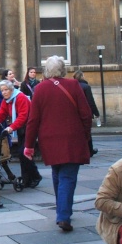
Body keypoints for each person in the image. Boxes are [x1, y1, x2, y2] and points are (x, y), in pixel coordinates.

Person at [24, 55, 92, 232]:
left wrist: (29, 145)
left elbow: (33, 120)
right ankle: (63, 215)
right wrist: (85, 135)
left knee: (57, 173)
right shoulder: (73, 85)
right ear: (63, 70)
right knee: (68, 177)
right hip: (72, 137)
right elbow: (86, 114)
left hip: (49, 139)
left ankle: (62, 209)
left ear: (47, 71)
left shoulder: (39, 89)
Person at [0, 79, 41, 187]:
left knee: (24, 153)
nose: (4, 92)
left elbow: (23, 116)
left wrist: (11, 127)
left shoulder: (20, 98)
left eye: (6, 90)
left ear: (11, 89)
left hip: (29, 127)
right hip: (22, 129)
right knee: (22, 153)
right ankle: (27, 179)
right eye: (2, 90)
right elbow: (1, 113)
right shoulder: (7, 100)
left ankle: (35, 176)